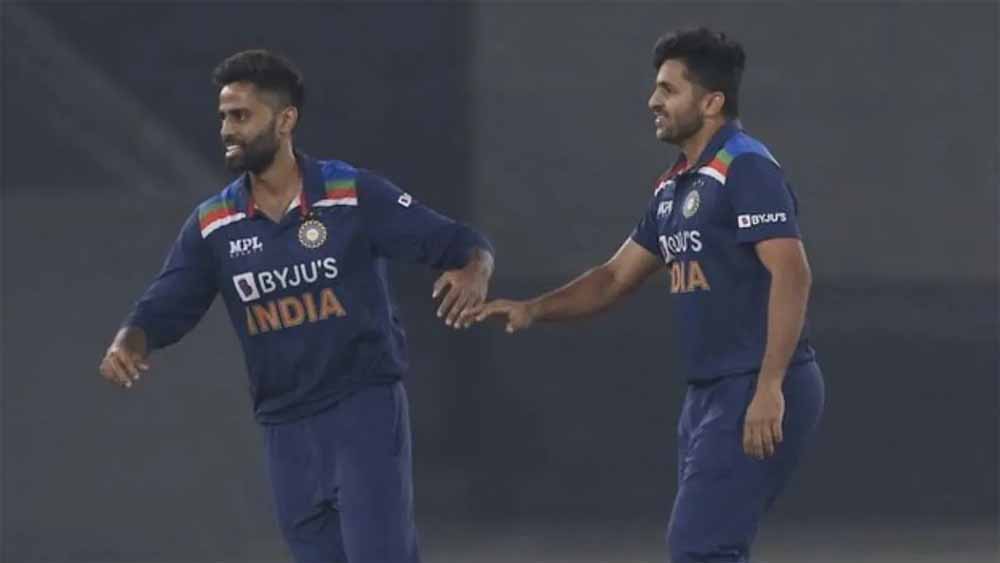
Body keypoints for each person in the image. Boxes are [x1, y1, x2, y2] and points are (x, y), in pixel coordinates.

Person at [98, 49, 494, 563]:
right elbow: (166, 302)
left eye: (241, 116)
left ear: (285, 120)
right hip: (284, 428)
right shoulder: (214, 223)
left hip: (361, 410)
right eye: (223, 116)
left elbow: (459, 241)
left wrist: (474, 269)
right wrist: (131, 339)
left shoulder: (349, 194)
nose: (226, 130)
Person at [475, 28, 824, 563]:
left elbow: (793, 274)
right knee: (708, 545)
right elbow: (615, 278)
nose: (653, 102)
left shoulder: (744, 166)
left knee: (699, 546)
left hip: (756, 383)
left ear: (711, 103)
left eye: (668, 89)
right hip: (709, 393)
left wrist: (770, 386)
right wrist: (533, 309)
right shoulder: (674, 186)